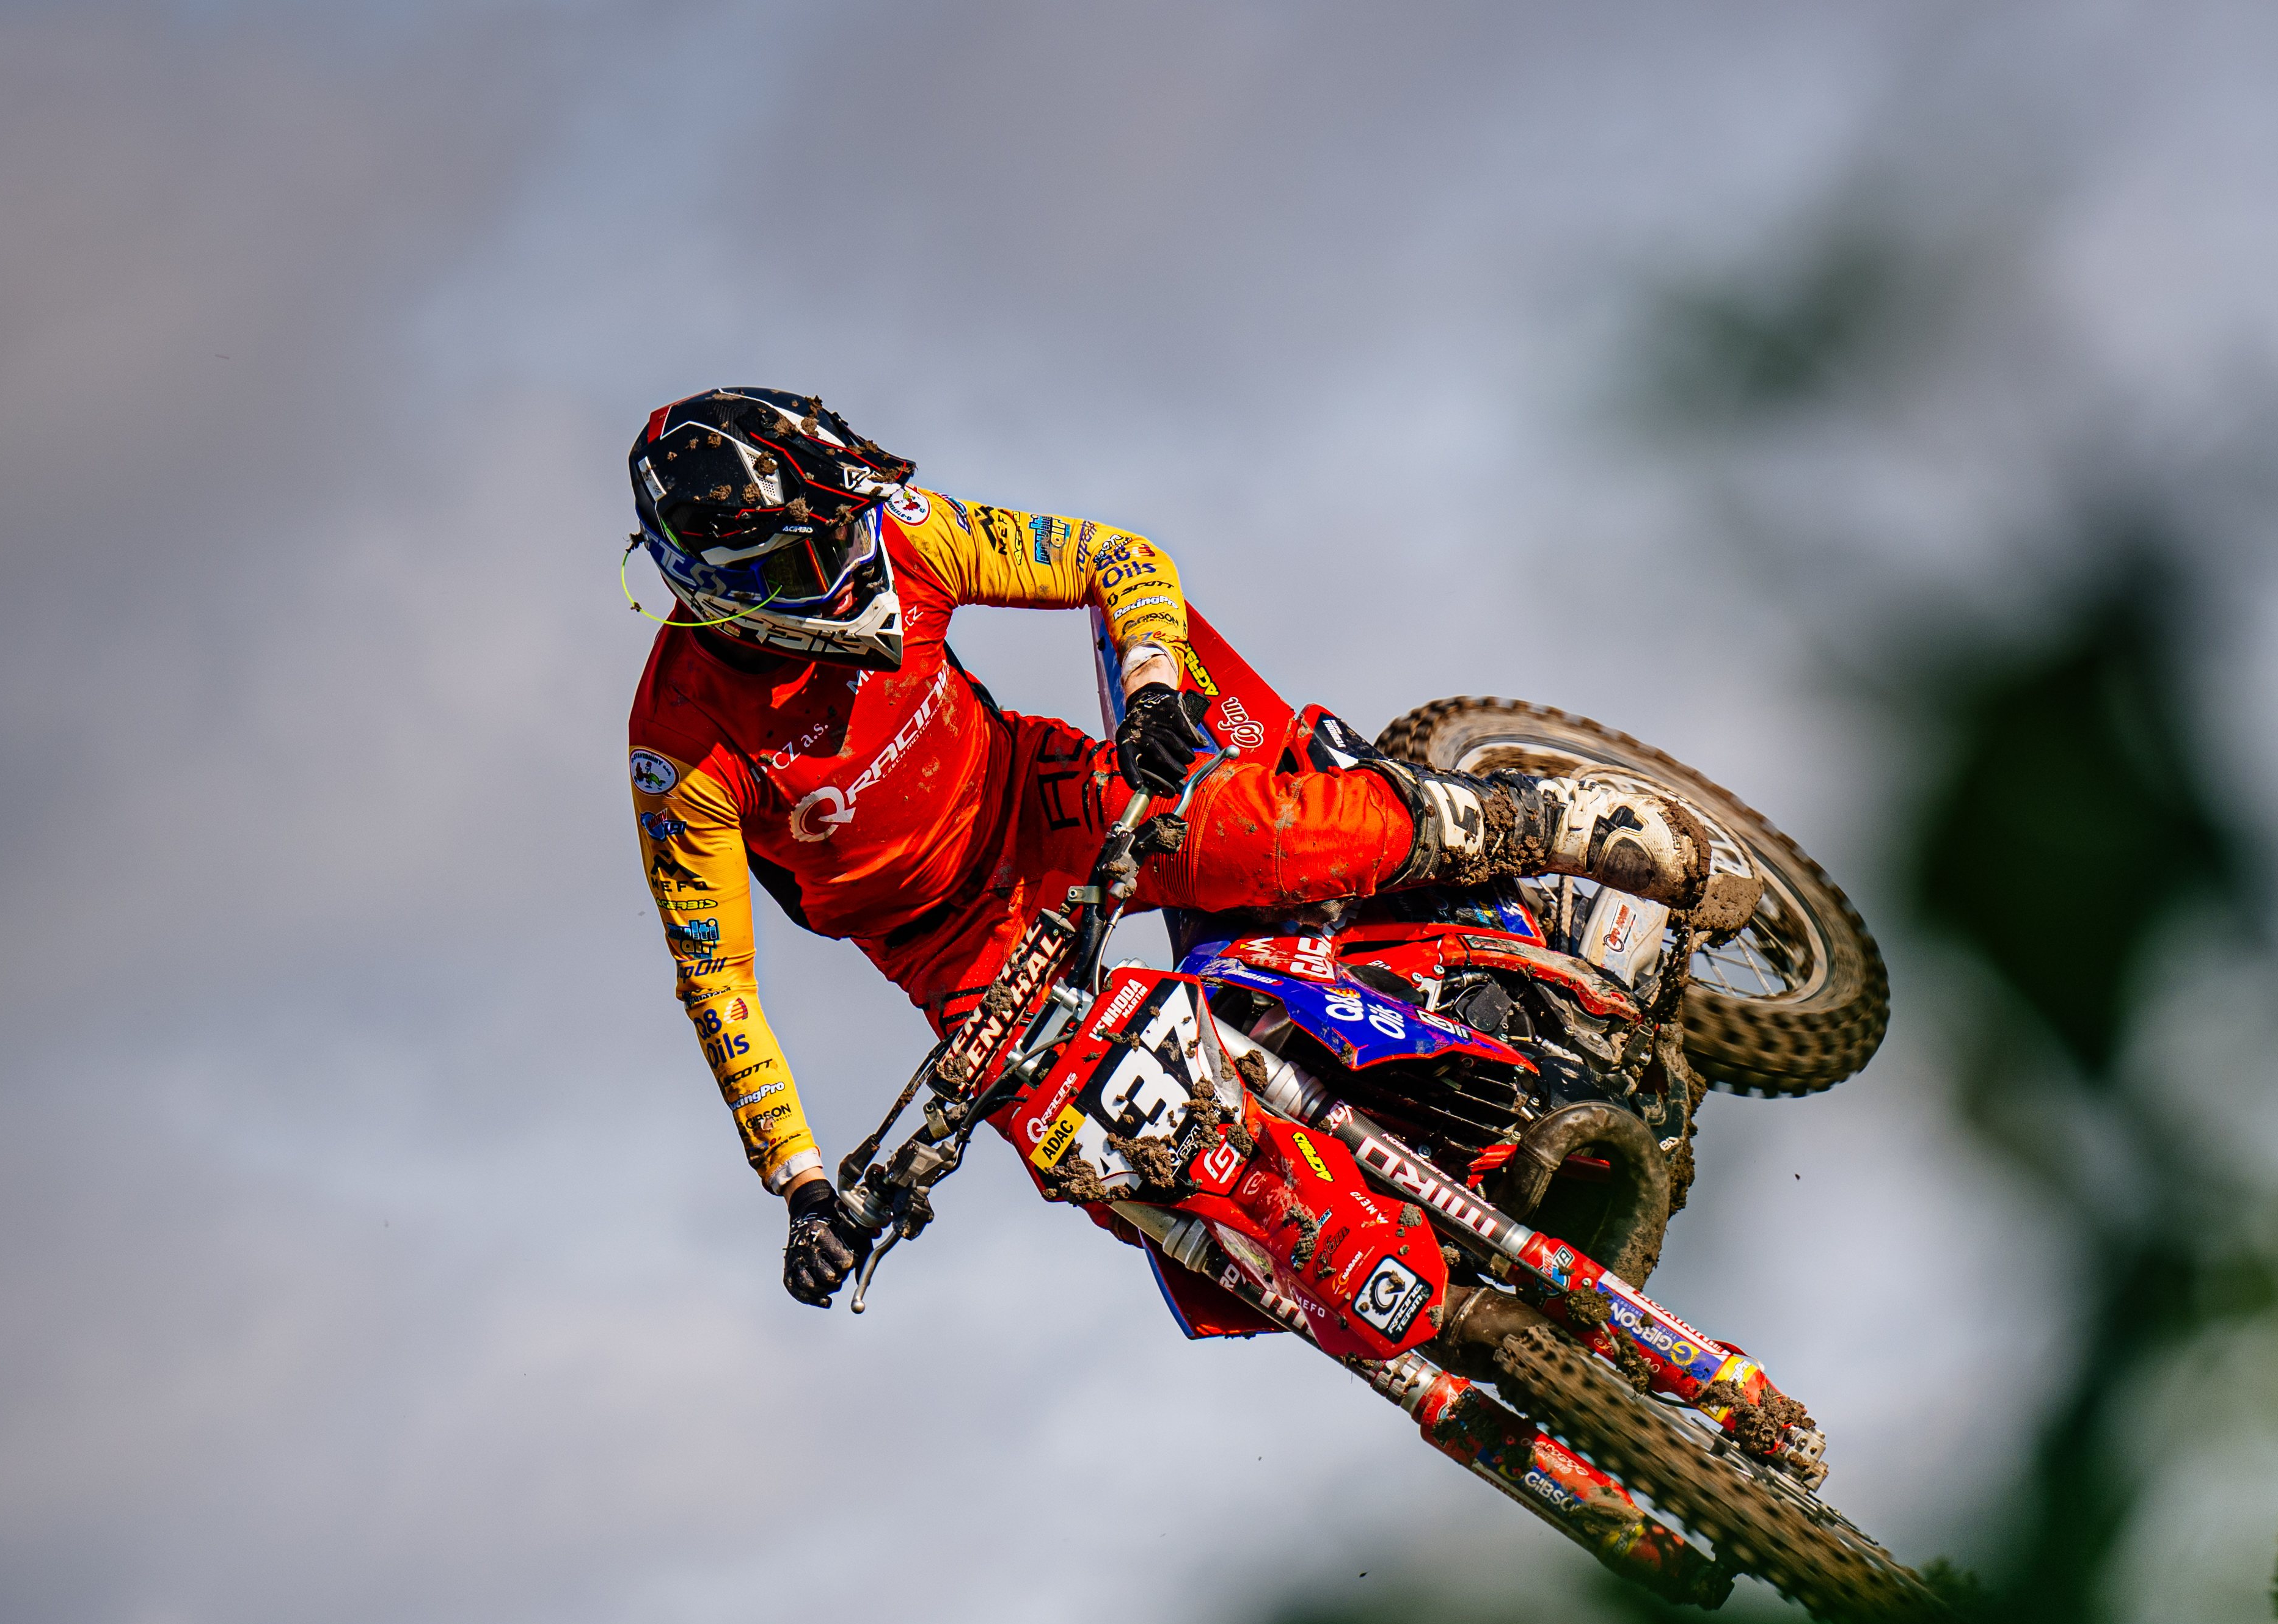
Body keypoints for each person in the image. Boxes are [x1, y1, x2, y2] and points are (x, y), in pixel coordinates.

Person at [621, 388, 1751, 1306]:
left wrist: (1153, 686)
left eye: (838, 531)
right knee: (1121, 1166)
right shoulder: (680, 747)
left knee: (1274, 839)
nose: (843, 565)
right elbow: (718, 984)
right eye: (805, 557)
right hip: (948, 949)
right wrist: (803, 1187)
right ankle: (1432, 1286)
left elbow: (1116, 559)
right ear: (722, 588)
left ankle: (1553, 823)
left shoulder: (904, 535)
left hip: (1039, 798)